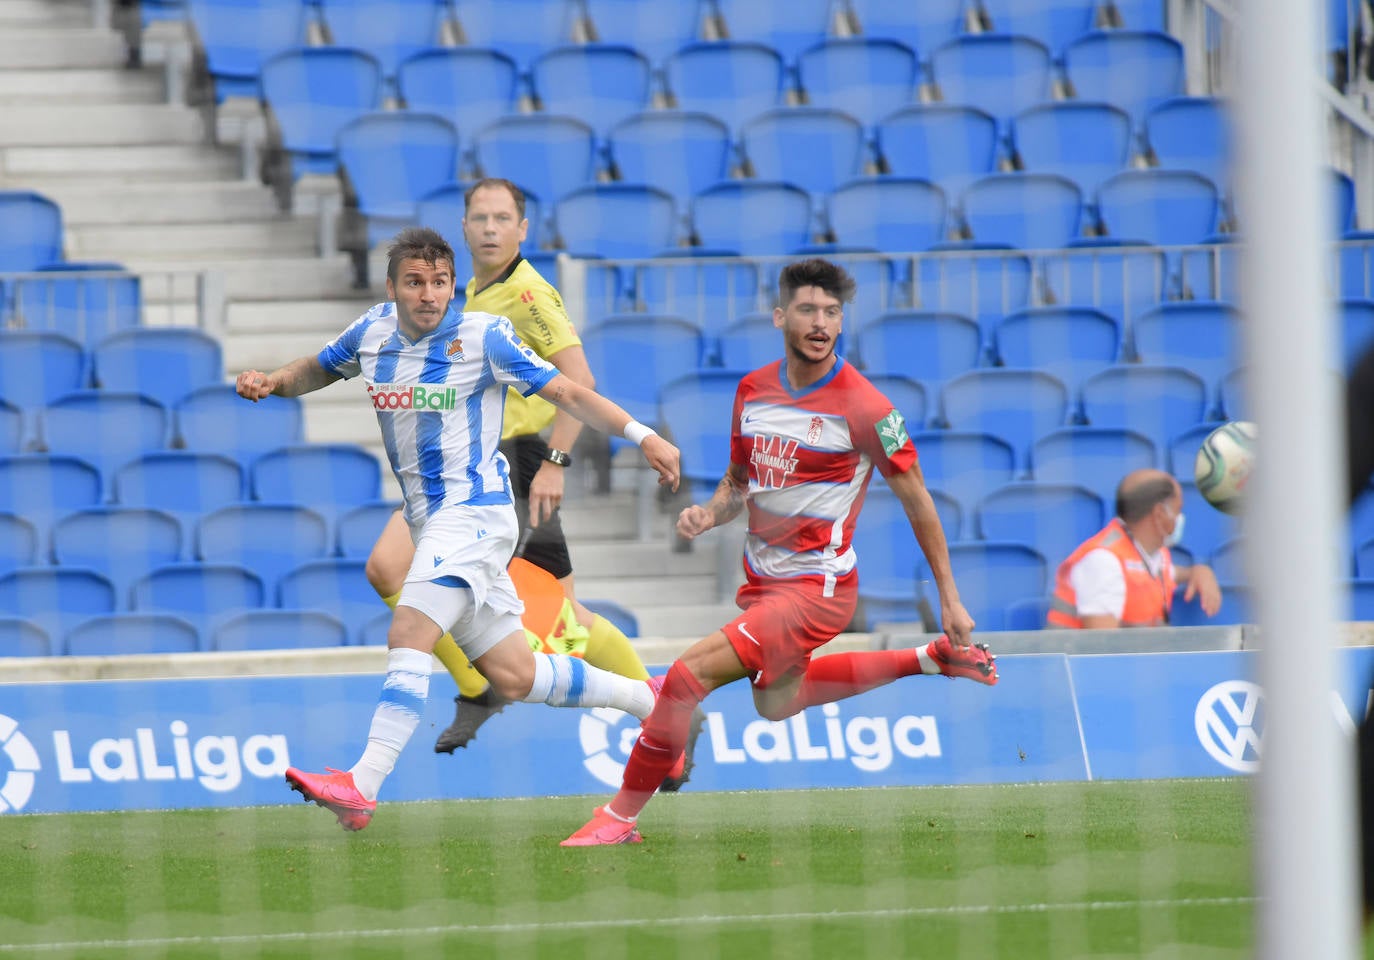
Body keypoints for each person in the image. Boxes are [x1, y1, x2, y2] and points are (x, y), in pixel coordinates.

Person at [235, 226, 683, 832]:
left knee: (410, 627)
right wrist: (273, 381)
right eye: (415, 282)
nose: (428, 294)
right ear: (392, 288)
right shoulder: (371, 333)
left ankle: (362, 785)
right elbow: (316, 370)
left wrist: (643, 436)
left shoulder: (484, 337)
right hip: (430, 521)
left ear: (453, 287)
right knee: (515, 675)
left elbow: (569, 392)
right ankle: (651, 701)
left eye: (440, 282)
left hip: (475, 512)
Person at [561, 258, 1000, 847]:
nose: (820, 323)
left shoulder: (867, 409)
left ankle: (619, 818)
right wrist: (709, 513)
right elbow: (739, 482)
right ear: (779, 316)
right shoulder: (753, 390)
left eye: (832, 312)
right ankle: (929, 660)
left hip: (817, 589)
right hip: (764, 584)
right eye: (807, 310)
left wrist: (949, 595)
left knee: (686, 678)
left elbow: (918, 500)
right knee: (776, 702)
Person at [363, 179, 701, 786]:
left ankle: (663, 714)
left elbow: (578, 379)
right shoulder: (467, 291)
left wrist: (555, 462)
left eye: (502, 218)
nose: (490, 228)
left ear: (523, 230)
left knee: (565, 618)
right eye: (480, 218)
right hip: (466, 465)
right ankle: (483, 687)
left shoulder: (528, 293)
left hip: (517, 464)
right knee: (391, 568)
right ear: (464, 228)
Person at [1045, 469, 1223, 629]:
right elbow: (1102, 647)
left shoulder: (1151, 552)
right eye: (1178, 510)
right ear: (1159, 513)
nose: (1179, 518)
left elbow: (1166, 572)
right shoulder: (1103, 561)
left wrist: (1199, 571)